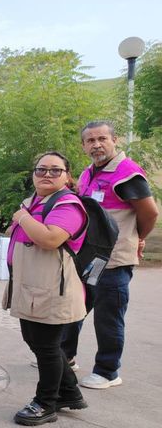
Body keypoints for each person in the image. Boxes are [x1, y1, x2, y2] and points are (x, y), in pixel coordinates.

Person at [61, 120, 158, 390]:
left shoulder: (126, 173)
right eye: (90, 141)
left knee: (108, 315)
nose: (97, 144)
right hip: (92, 258)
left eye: (102, 138)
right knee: (77, 306)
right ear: (83, 146)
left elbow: (149, 213)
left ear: (115, 140)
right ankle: (65, 356)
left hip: (115, 260)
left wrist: (138, 237)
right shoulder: (89, 173)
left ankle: (107, 371)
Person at [5, 151, 89, 426]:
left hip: (52, 288)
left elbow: (52, 239)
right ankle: (69, 392)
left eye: (55, 170)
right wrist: (22, 218)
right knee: (37, 341)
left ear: (67, 175)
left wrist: (22, 217)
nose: (47, 175)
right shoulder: (35, 202)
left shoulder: (68, 205)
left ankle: (46, 403)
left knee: (47, 346)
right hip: (31, 284)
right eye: (41, 170)